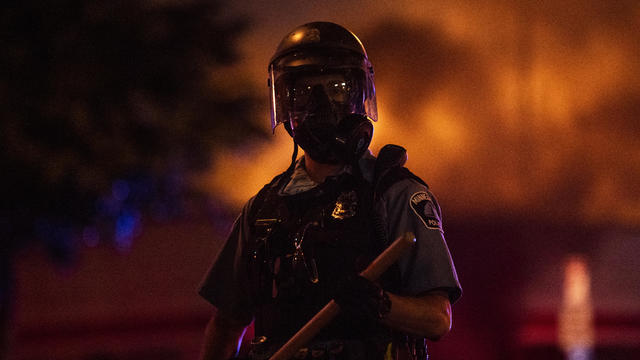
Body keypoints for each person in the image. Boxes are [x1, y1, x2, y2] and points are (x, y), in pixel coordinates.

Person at [198, 22, 462, 360]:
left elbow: (437, 319)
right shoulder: (262, 210)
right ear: (285, 102)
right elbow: (225, 325)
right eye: (305, 92)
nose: (321, 105)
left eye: (336, 87)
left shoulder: (393, 195)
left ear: (358, 95)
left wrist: (378, 302)